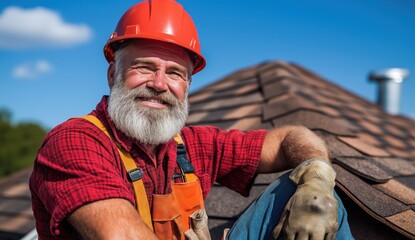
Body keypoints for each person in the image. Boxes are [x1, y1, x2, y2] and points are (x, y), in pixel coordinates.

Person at [29, 0, 354, 239]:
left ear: (187, 85)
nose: (159, 84)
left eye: (174, 73)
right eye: (143, 67)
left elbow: (289, 138)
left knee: (314, 197)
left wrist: (319, 178)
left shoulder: (191, 145)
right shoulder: (75, 140)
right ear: (113, 73)